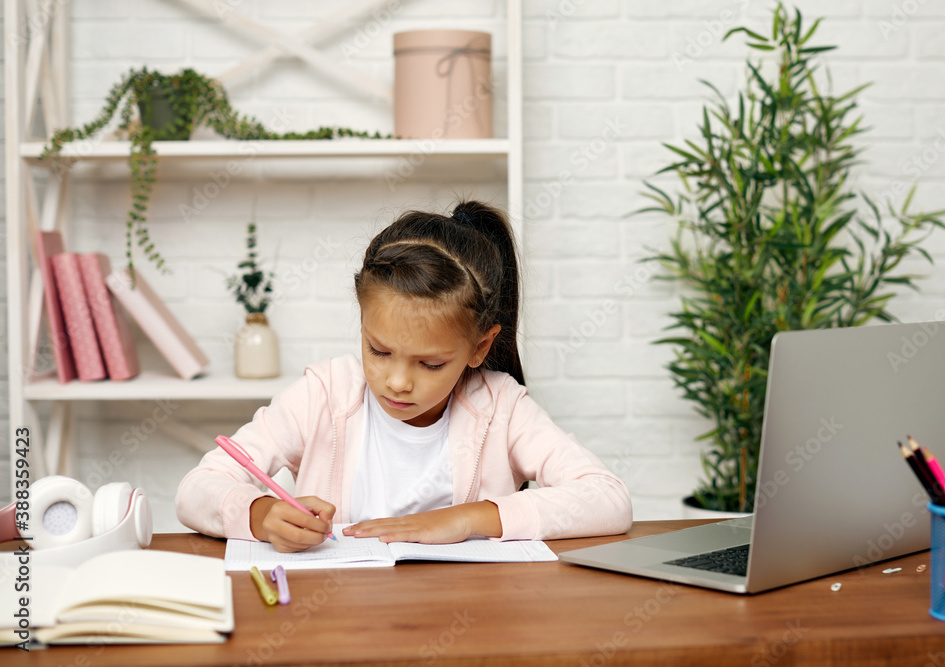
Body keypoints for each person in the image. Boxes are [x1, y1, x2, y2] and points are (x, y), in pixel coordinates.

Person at [175, 200, 632, 552]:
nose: (397, 381)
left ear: (479, 348)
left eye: (430, 364)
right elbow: (196, 489)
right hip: (337, 620)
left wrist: (469, 518)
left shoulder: (501, 407)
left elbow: (608, 499)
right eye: (378, 350)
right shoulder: (324, 395)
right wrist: (260, 513)